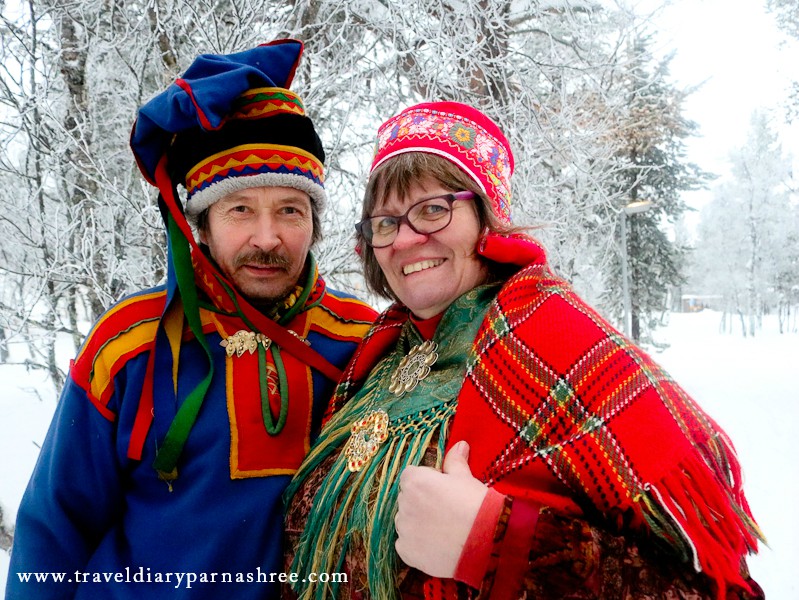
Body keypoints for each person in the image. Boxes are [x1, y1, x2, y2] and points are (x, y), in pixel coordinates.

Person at [284, 101, 764, 599]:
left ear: (486, 221)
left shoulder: (563, 344)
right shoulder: (375, 356)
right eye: (385, 222)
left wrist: (496, 543)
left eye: (433, 210)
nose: (405, 239)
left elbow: (707, 589)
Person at [5, 40, 376, 600]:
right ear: (199, 224)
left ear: (316, 222)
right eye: (240, 209)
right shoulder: (130, 342)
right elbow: (56, 524)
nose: (267, 237)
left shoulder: (358, 341)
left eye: (290, 210)